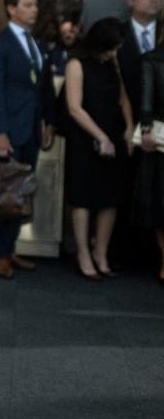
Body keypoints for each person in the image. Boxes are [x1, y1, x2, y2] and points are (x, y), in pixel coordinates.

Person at [0, 0, 56, 279]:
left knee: (20, 193)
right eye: (27, 4)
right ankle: (0, 254)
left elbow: (43, 88)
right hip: (7, 132)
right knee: (3, 193)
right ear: (11, 8)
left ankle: (9, 249)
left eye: (35, 4)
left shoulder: (35, 43)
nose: (34, 9)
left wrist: (49, 122)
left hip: (31, 130)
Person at [63, 18, 133, 279]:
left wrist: (128, 127)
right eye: (111, 48)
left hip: (113, 135)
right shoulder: (76, 64)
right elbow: (74, 107)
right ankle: (83, 254)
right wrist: (100, 136)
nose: (114, 54)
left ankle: (101, 253)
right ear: (98, 44)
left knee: (111, 197)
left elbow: (122, 96)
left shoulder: (112, 62)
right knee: (83, 197)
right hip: (85, 137)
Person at [112, 0, 161, 269]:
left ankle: (156, 256)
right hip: (124, 122)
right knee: (125, 187)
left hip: (160, 124)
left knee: (157, 191)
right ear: (131, 0)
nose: (153, 0)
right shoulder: (117, 33)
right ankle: (124, 254)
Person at [133, 37, 164, 283]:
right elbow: (146, 98)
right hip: (160, 142)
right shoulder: (153, 59)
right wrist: (145, 130)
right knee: (160, 205)